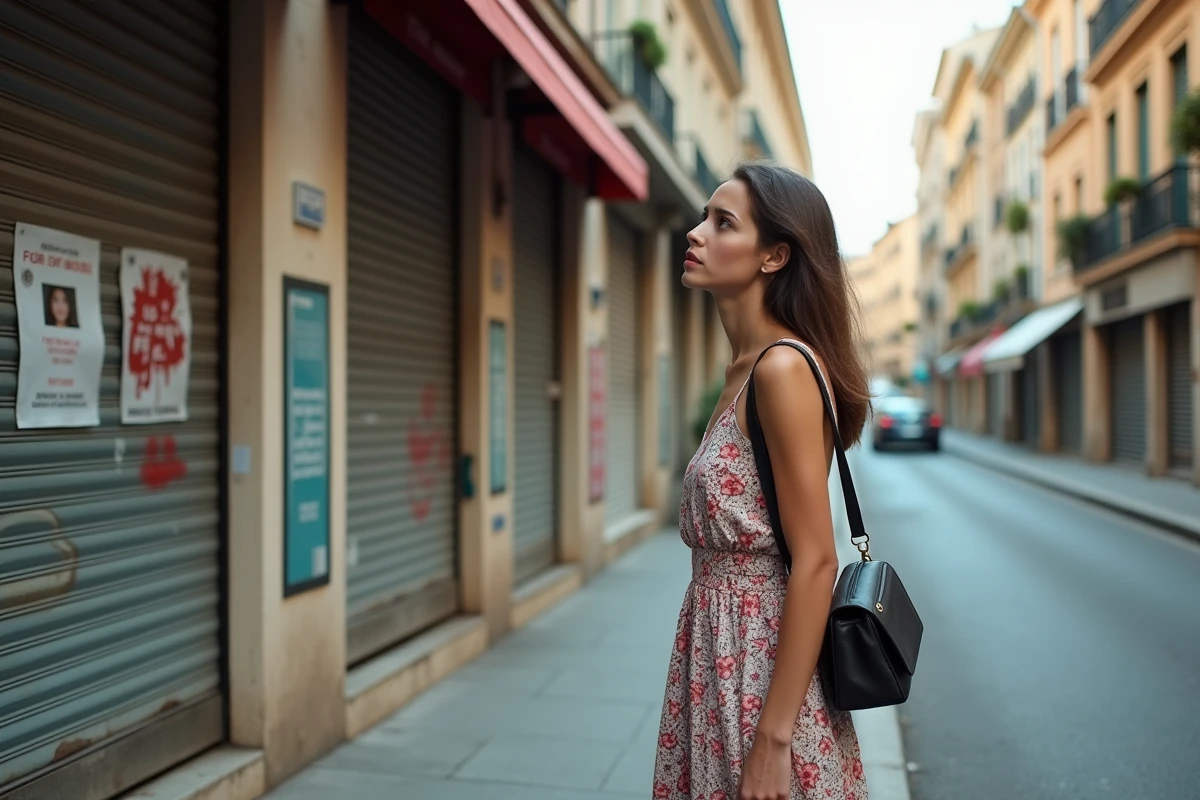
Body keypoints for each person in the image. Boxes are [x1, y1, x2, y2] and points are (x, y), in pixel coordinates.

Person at [651, 161, 871, 800]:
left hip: (758, 667)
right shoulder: (742, 371)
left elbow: (816, 559)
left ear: (775, 256)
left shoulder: (781, 369)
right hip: (715, 653)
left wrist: (773, 741)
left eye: (722, 223)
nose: (695, 234)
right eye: (702, 217)